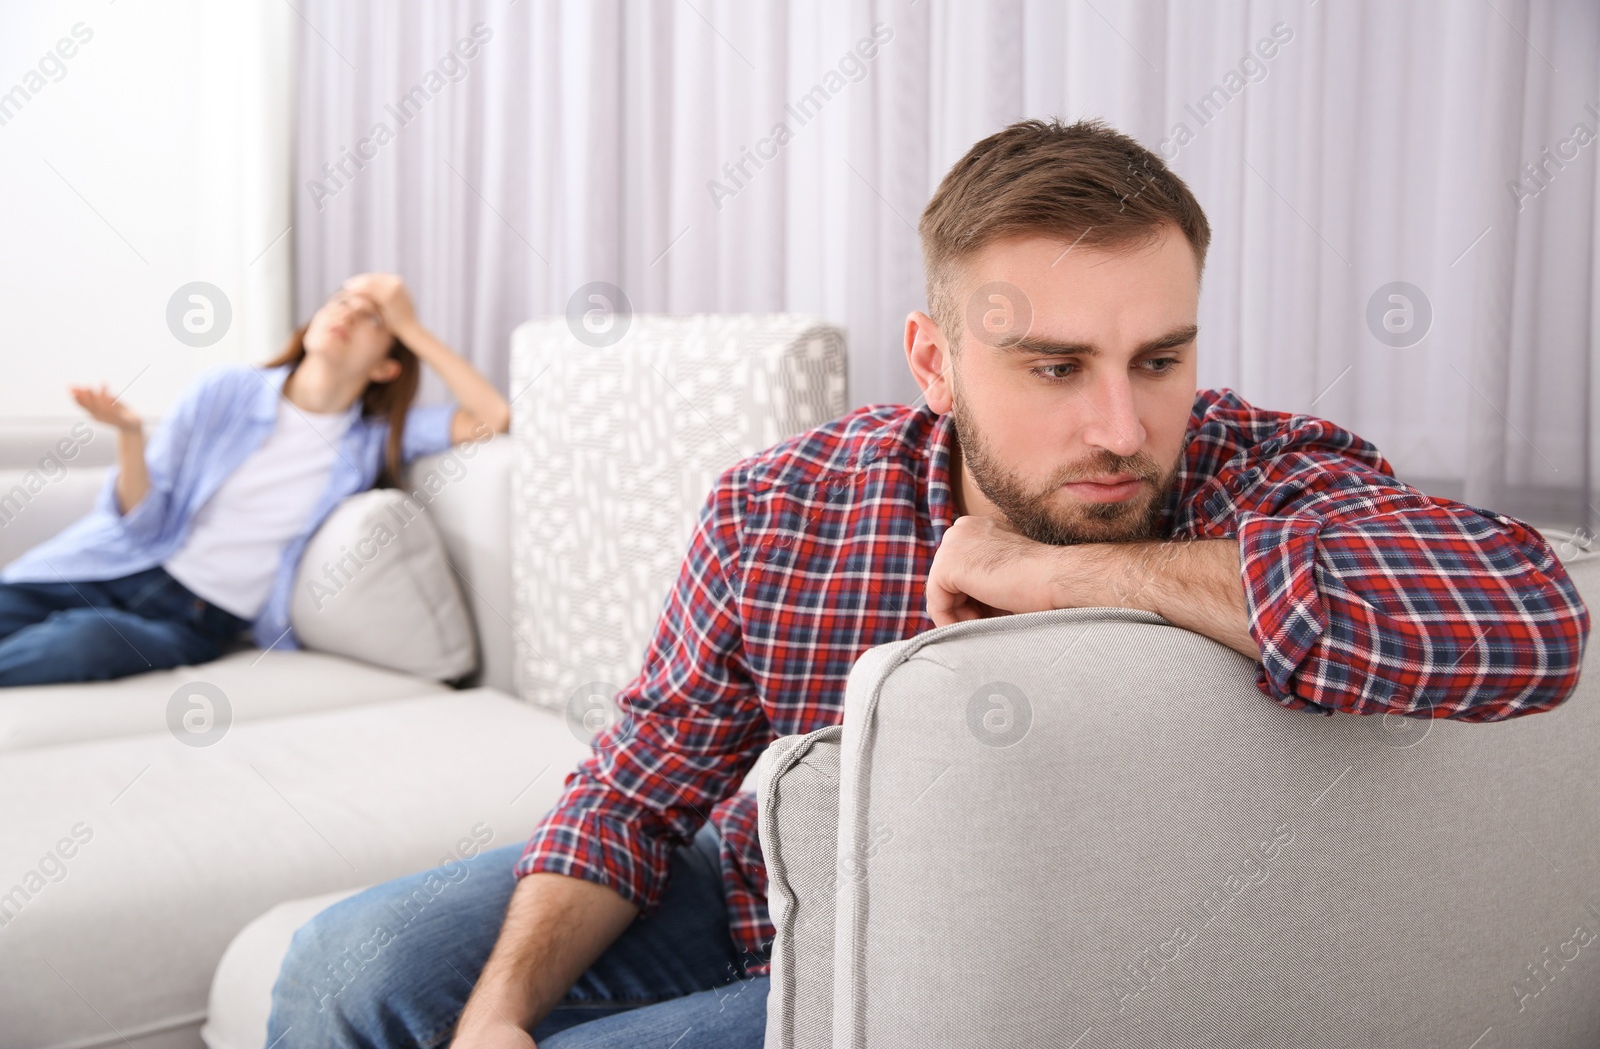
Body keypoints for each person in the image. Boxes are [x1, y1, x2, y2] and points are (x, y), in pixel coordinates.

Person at [264, 119, 1591, 1048]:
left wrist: (1080, 574)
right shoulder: (782, 506)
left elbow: (1530, 619)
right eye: (1056, 367)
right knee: (352, 970)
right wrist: (500, 1003)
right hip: (764, 888)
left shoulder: (1253, 475)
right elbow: (639, 784)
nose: (1123, 427)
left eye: (1160, 358)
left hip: (1017, 976)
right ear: (937, 360)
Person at [0, 273, 510, 686]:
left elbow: (492, 416)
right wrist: (131, 436)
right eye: (341, 300)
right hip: (112, 566)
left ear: (386, 367)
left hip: (196, 620)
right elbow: (140, 526)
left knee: (87, 642)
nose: (348, 314)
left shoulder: (373, 441)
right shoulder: (226, 389)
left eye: (373, 318)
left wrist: (411, 326)